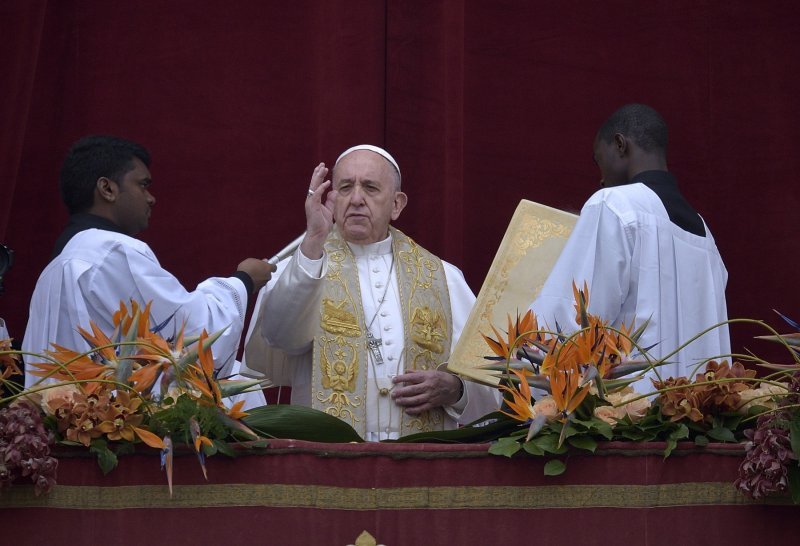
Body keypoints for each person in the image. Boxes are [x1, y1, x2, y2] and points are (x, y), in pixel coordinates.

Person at [243, 145, 499, 440]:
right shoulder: (303, 267)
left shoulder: (442, 277)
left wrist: (456, 390)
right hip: (328, 465)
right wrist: (314, 239)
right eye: (345, 187)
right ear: (331, 198)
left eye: (370, 187)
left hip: (420, 469)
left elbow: (491, 382)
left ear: (396, 204)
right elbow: (281, 336)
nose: (356, 199)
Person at [22, 135, 276, 406]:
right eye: (143, 185)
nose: (151, 198)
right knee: (241, 385)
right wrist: (243, 281)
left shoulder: (54, 268)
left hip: (70, 431)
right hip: (114, 426)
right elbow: (192, 339)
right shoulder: (112, 250)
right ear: (107, 189)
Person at [530, 104, 730, 392]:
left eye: (599, 161)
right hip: (695, 419)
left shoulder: (613, 204)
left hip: (628, 419)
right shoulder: (704, 233)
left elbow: (570, 321)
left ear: (620, 145)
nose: (600, 178)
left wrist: (518, 370)